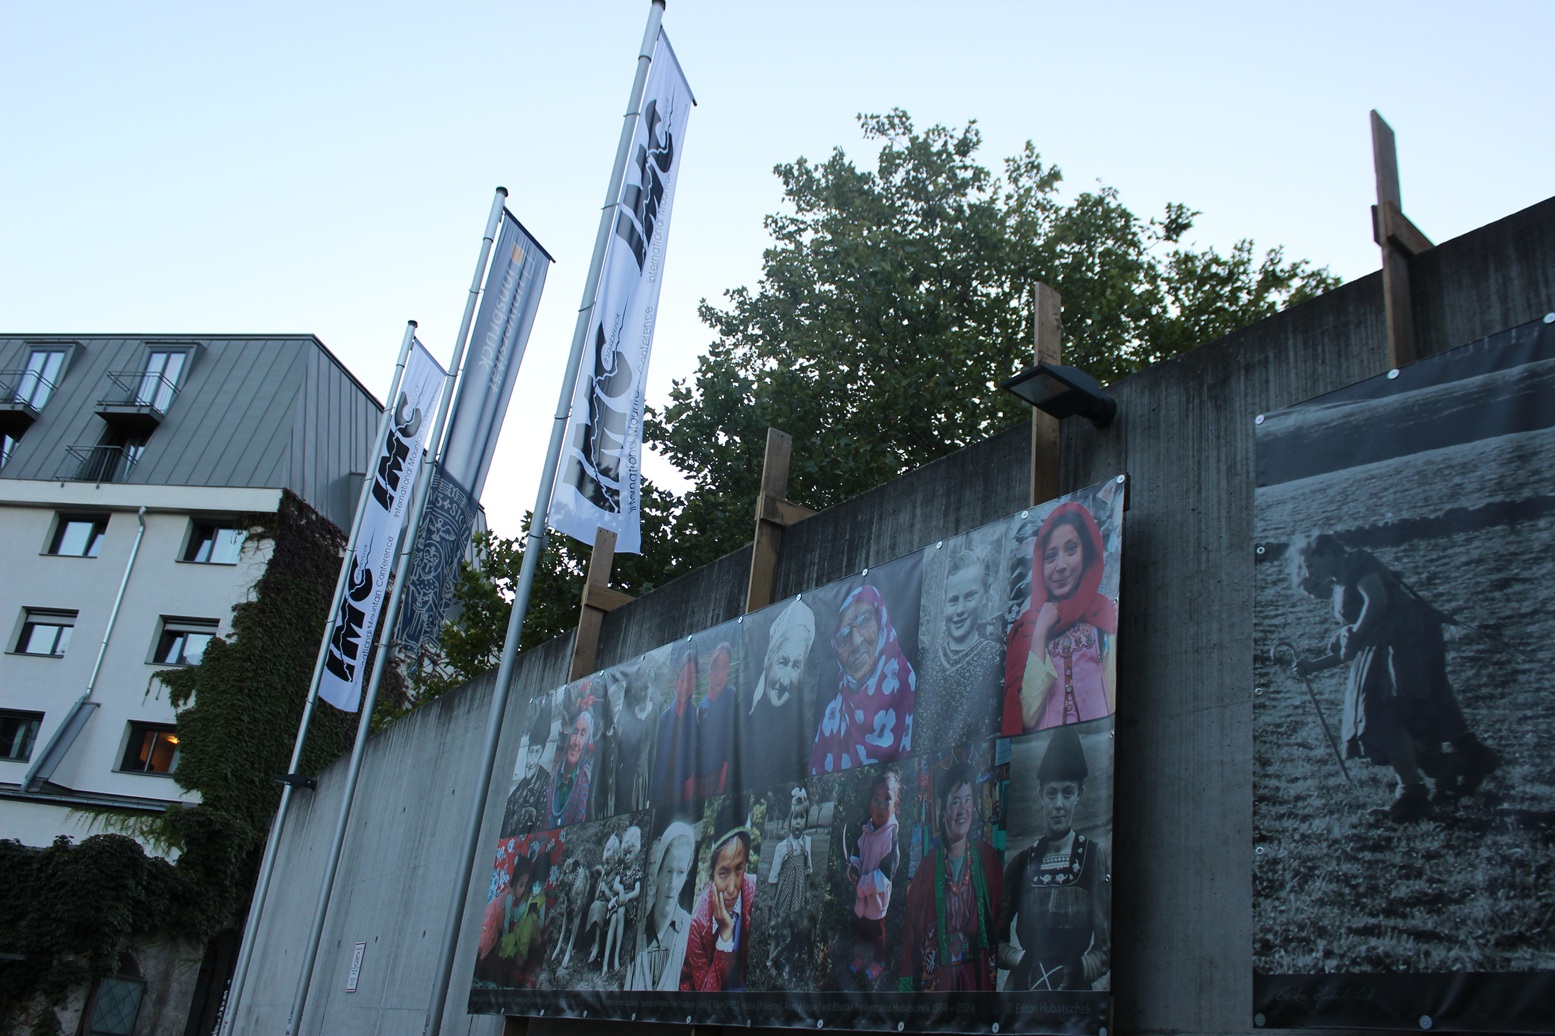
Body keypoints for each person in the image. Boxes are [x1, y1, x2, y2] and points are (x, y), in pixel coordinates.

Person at [1288, 533, 1499, 820]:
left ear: (1328, 553)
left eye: (1312, 564)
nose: (1311, 573)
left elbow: (1377, 601)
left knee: (1393, 715)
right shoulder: (1340, 584)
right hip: (1382, 650)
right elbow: (1353, 643)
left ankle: (1422, 788)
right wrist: (1314, 665)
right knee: (1391, 717)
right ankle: (1450, 769)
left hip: (1403, 646)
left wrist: (1355, 633)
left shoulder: (1358, 564)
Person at [999, 728, 1110, 991]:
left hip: (1074, 999)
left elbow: (1105, 949)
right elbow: (993, 941)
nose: (1059, 804)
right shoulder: (1021, 863)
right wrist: (1019, 958)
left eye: (1068, 793)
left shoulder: (1094, 858)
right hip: (1022, 996)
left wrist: (1081, 968)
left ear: (1080, 794)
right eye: (1052, 794)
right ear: (1040, 795)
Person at [1004, 503, 1117, 734]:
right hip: (1042, 763)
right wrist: (1040, 633)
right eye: (1051, 556)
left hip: (1100, 757)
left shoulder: (1102, 615)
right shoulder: (1027, 628)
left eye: (1072, 549)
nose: (1061, 566)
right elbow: (1026, 714)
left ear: (1087, 553)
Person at [899, 761, 1002, 992]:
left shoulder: (987, 858)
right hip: (938, 984)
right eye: (955, 802)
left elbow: (1000, 918)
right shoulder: (927, 868)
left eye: (967, 800)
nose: (962, 809)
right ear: (943, 812)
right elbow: (911, 931)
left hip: (977, 977)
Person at [811, 585, 917, 774]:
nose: (856, 642)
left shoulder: (913, 687)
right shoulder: (831, 720)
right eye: (843, 636)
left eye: (864, 620)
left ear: (881, 620)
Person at [919, 546, 1004, 753]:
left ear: (986, 594)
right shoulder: (927, 662)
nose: (960, 610)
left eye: (970, 597)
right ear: (944, 602)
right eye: (953, 600)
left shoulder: (994, 656)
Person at [743, 599, 816, 788]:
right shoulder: (742, 712)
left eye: (796, 666)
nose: (785, 682)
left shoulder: (804, 729)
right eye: (782, 662)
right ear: (768, 659)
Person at [681, 818, 757, 991]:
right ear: (712, 875)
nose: (732, 888)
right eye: (723, 873)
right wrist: (725, 936)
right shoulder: (698, 924)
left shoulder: (752, 890)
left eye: (739, 869)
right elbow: (707, 996)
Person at [625, 821, 696, 991]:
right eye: (668, 871)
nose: (672, 884)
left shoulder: (692, 932)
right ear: (658, 871)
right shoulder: (639, 933)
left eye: (680, 873)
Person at [847, 769, 901, 983]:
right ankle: (861, 956)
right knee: (861, 929)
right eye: (876, 799)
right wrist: (854, 869)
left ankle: (878, 961)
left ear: (895, 805)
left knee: (877, 932)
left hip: (877, 900)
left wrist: (862, 883)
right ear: (869, 804)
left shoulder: (890, 836)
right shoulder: (866, 831)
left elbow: (886, 875)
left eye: (887, 799)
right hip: (862, 898)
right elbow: (857, 855)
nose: (881, 805)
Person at [764, 787, 813, 974]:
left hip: (799, 894)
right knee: (779, 927)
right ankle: (770, 961)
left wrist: (806, 889)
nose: (798, 822)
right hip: (784, 893)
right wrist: (771, 899)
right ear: (789, 820)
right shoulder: (782, 847)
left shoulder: (807, 843)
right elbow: (774, 876)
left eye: (802, 817)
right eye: (795, 817)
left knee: (796, 928)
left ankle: (790, 960)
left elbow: (808, 868)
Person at [651, 647, 699, 806]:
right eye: (684, 679)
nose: (687, 685)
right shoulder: (664, 719)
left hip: (684, 788)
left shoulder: (694, 716)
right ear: (676, 683)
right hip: (661, 786)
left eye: (691, 679)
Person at [500, 701, 553, 837]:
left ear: (541, 754)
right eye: (531, 752)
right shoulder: (516, 793)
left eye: (536, 752)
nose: (531, 761)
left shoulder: (546, 783)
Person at [613, 660, 659, 814]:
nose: (644, 693)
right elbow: (622, 748)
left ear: (652, 687)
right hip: (627, 776)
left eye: (647, 687)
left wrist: (651, 786)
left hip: (642, 777)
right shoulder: (631, 713)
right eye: (641, 688)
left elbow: (653, 749)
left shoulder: (654, 713)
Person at [696, 641, 737, 797]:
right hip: (705, 776)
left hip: (726, 773)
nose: (720, 675)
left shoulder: (730, 695)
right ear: (710, 671)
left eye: (725, 668)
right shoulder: (702, 708)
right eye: (717, 668)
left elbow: (730, 740)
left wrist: (722, 780)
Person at [547, 702, 597, 828]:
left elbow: (578, 823)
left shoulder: (584, 781)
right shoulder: (552, 774)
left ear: (586, 743)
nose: (576, 742)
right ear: (569, 736)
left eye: (582, 734)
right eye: (575, 732)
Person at [602, 825, 643, 973]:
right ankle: (606, 962)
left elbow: (637, 891)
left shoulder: (637, 871)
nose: (626, 857)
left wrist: (627, 895)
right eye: (625, 854)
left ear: (636, 853)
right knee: (614, 918)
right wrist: (620, 891)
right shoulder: (622, 870)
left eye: (629, 853)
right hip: (620, 902)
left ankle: (616, 957)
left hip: (629, 905)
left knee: (619, 913)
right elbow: (615, 884)